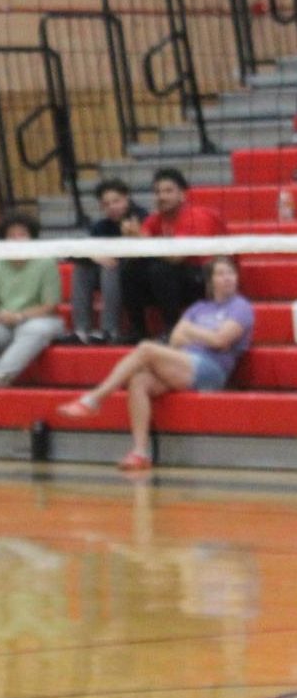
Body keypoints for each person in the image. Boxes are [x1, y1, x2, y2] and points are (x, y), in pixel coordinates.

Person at [57, 256, 252, 470]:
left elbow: (221, 341)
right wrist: (200, 335)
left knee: (146, 349)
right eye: (221, 274)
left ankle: (94, 399)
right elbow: (176, 338)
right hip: (184, 361)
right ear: (210, 280)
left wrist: (191, 332)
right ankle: (140, 452)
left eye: (231, 273)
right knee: (139, 381)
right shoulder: (199, 308)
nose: (227, 278)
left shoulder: (240, 307)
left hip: (212, 369)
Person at [120, 166, 227, 340]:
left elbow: (176, 257)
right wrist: (130, 238)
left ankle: (173, 328)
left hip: (206, 278)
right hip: (175, 279)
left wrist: (141, 238)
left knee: (160, 268)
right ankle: (137, 329)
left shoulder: (195, 216)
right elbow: (137, 252)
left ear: (183, 195)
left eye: (168, 191)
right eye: (157, 192)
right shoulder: (156, 219)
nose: (161, 196)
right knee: (130, 268)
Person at [0, 213, 64, 388]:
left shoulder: (46, 262)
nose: (17, 239)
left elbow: (51, 306)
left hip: (40, 320)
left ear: (32, 237)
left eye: (22, 234)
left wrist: (19, 316)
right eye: (12, 235)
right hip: (5, 323)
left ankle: (0, 377)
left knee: (35, 329)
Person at [65, 177, 146, 344]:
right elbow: (72, 253)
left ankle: (110, 330)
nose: (112, 207)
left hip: (137, 276)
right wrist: (94, 255)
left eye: (116, 201)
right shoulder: (102, 226)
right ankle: (81, 330)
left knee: (110, 265)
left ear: (127, 199)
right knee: (82, 267)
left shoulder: (142, 218)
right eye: (106, 204)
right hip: (109, 273)